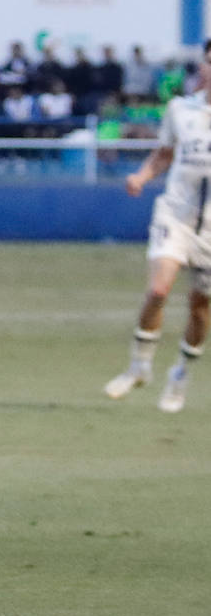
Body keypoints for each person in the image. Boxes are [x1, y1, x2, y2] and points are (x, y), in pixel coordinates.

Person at [104, 40, 211, 414]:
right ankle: (139, 366)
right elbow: (165, 153)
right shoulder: (181, 109)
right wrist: (142, 176)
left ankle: (180, 373)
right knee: (158, 288)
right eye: (209, 63)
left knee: (200, 309)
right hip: (176, 214)